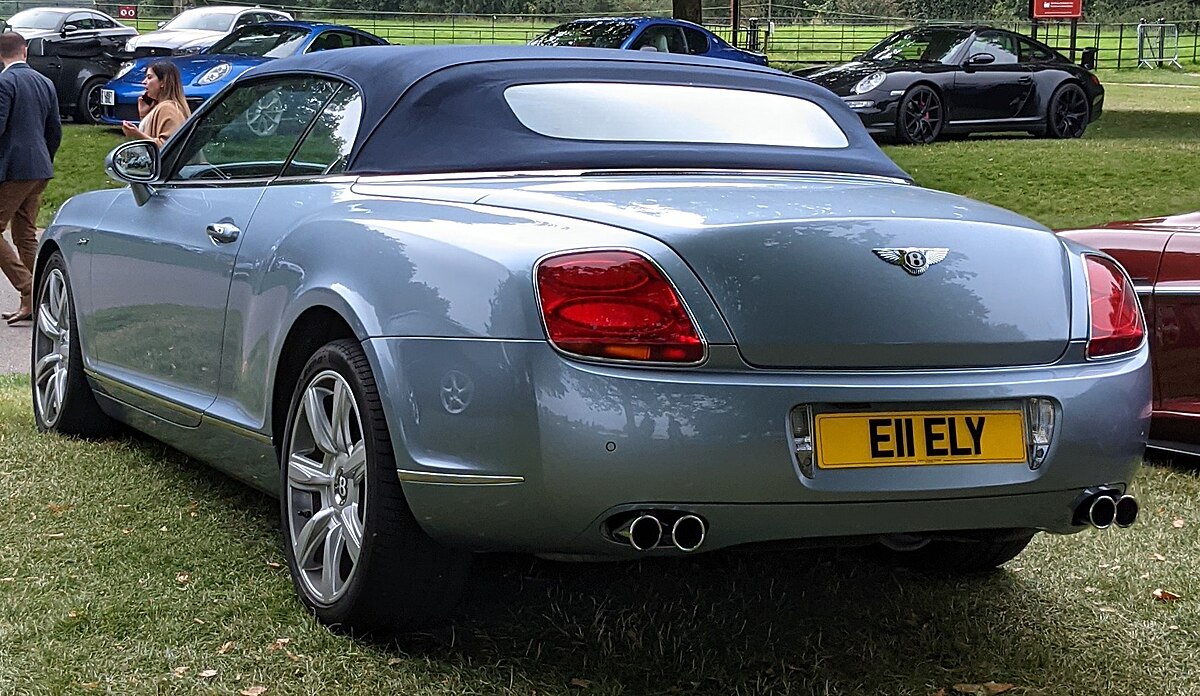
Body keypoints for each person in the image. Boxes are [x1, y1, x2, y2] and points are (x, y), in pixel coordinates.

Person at [0, 32, 61, 326]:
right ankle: (36, 301)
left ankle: (29, 288)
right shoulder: (45, 82)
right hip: (40, 168)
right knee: (24, 234)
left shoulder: (5, 82)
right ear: (25, 51)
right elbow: (55, 130)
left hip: (14, 170)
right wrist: (44, 159)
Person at [121, 61, 190, 146]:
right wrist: (143, 114)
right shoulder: (163, 106)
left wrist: (137, 135)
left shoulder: (168, 108)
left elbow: (168, 147)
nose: (144, 82)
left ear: (163, 82)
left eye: (149, 77)